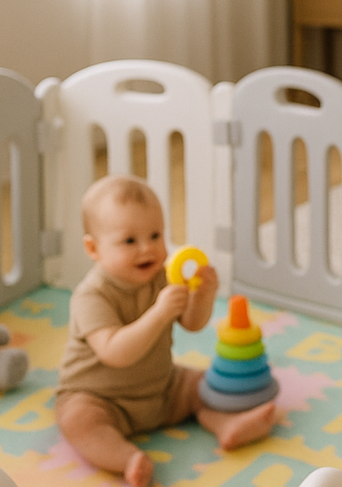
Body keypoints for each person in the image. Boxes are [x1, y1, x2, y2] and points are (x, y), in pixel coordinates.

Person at [55, 176, 277, 487]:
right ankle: (127, 458)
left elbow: (191, 323)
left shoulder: (163, 278)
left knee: (205, 383)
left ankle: (226, 423)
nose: (147, 248)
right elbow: (115, 351)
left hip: (163, 387)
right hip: (101, 398)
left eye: (155, 235)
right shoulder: (91, 296)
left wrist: (203, 295)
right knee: (77, 421)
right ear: (94, 248)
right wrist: (159, 313)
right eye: (130, 241)